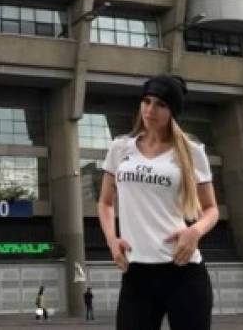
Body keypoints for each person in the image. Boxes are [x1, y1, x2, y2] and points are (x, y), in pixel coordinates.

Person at [98, 74, 219, 330]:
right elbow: (106, 203)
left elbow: (211, 209)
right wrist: (111, 240)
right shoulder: (120, 148)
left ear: (173, 111)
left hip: (183, 272)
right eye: (146, 101)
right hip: (136, 274)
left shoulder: (192, 152)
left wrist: (194, 231)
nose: (150, 110)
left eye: (161, 104)